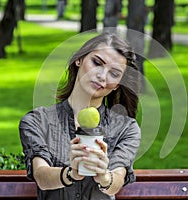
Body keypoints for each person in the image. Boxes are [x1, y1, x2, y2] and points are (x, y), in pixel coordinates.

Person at [19, 32, 141, 200]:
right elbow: (41, 175)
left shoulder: (126, 128)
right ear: (79, 59)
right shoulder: (37, 121)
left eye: (114, 74)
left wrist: (104, 177)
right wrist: (71, 174)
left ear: (117, 85)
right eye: (97, 63)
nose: (102, 76)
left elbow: (118, 178)